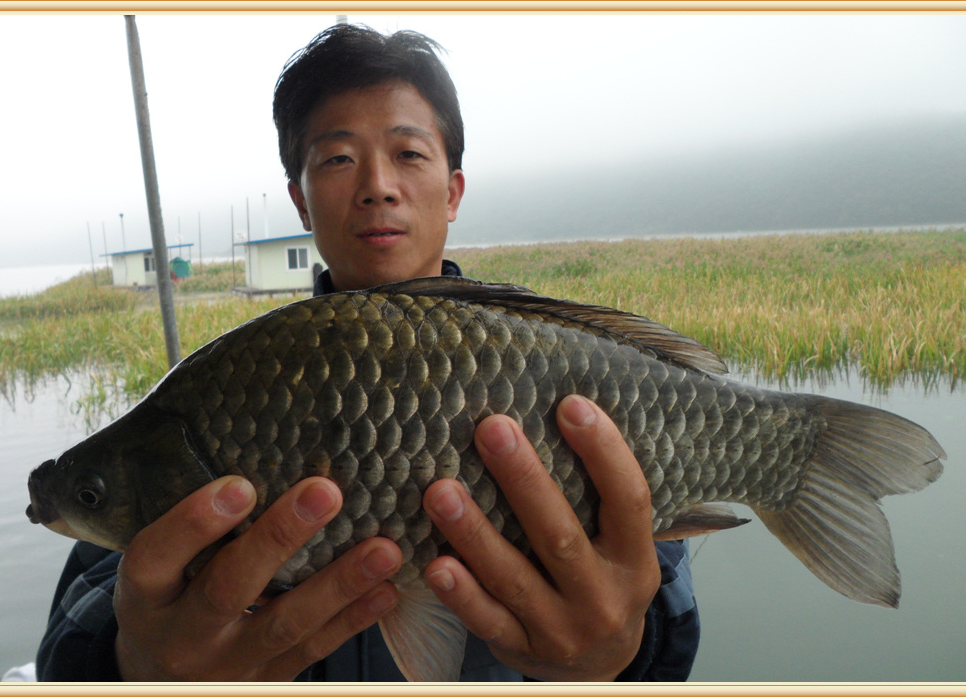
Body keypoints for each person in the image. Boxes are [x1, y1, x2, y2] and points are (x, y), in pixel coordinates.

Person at [36, 24, 699, 682]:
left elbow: (658, 585)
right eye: (337, 159)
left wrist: (622, 655)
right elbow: (78, 627)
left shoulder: (559, 362)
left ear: (453, 192)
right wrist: (133, 666)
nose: (378, 185)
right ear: (301, 201)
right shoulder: (223, 389)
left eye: (408, 153)